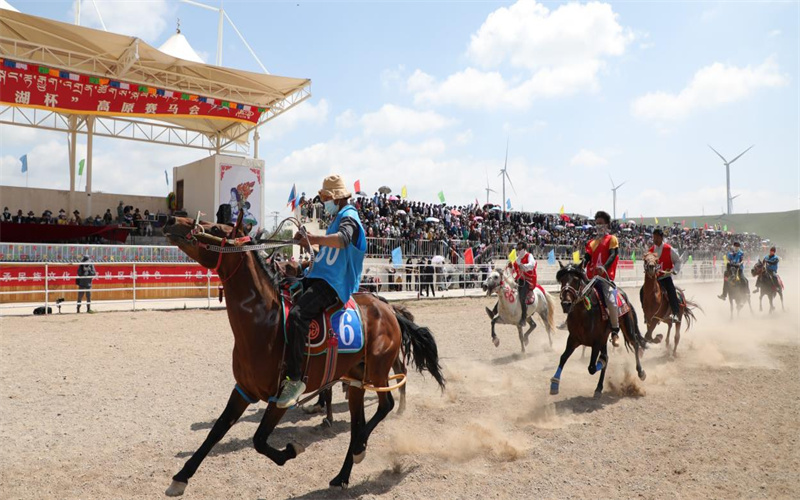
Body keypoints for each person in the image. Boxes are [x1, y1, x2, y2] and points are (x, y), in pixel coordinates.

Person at [277, 174, 366, 409]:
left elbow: (344, 241)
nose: (323, 201)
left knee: (297, 316)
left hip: (334, 284)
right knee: (282, 291)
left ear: (336, 198)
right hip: (318, 277)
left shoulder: (349, 218)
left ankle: (295, 379)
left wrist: (314, 238)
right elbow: (329, 251)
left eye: (326, 197)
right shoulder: (338, 217)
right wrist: (309, 241)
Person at [583, 211, 621, 345]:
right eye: (597, 223)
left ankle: (615, 330)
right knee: (577, 296)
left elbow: (613, 255)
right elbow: (587, 258)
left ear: (607, 225)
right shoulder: (591, 242)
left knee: (611, 301)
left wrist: (604, 267)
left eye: (601, 223)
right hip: (591, 279)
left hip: (605, 279)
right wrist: (580, 265)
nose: (598, 226)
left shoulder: (612, 239)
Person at [648, 228, 682, 323]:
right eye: (654, 237)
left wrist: (674, 270)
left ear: (661, 238)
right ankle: (646, 313)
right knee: (643, 291)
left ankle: (675, 313)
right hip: (654, 278)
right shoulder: (651, 251)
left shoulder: (669, 249)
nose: (655, 239)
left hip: (665, 278)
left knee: (671, 291)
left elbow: (678, 261)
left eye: (657, 237)